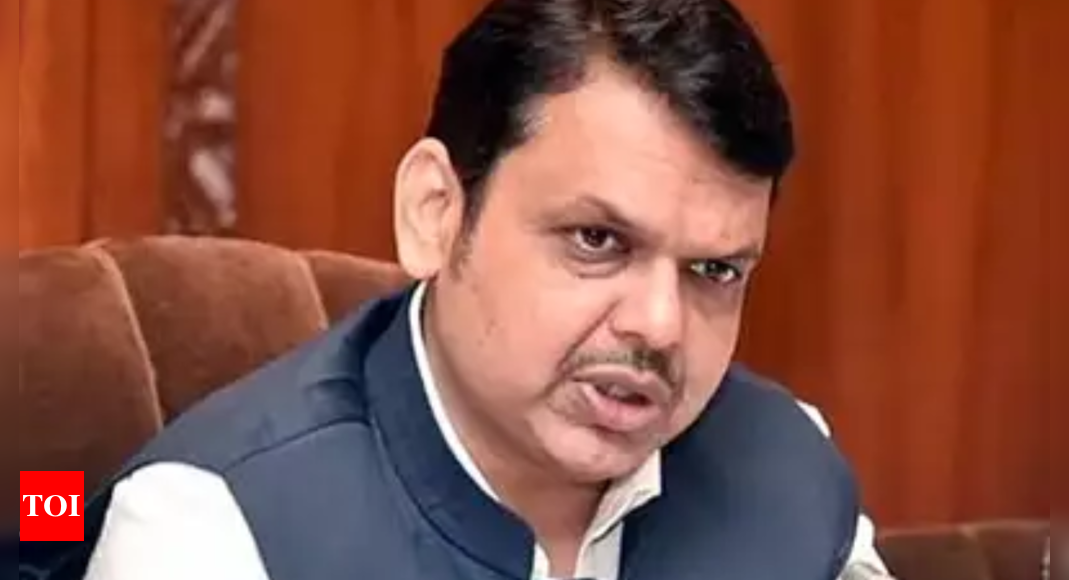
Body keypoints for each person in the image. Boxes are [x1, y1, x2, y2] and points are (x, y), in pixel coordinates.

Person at [24, 0, 891, 578]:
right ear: (435, 213)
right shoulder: (208, 532)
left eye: (714, 271)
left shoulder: (787, 469)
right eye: (597, 241)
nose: (661, 327)